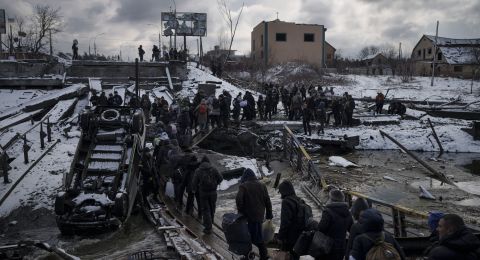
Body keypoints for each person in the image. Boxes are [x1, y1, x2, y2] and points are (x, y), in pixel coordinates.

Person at [235, 168, 273, 260]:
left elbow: (239, 200)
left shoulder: (243, 186)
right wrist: (269, 215)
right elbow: (268, 201)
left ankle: (248, 256)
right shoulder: (262, 185)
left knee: (247, 237)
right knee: (258, 236)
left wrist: (240, 212)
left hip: (248, 217)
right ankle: (264, 255)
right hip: (260, 216)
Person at [317, 189, 353, 260]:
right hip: (341, 247)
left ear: (331, 199)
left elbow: (321, 229)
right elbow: (351, 229)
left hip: (327, 247)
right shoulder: (348, 212)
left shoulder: (328, 212)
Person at [277, 180, 308, 260]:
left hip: (289, 237)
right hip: (299, 235)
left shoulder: (286, 202)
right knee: (295, 256)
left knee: (286, 256)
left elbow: (285, 222)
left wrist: (280, 237)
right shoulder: (300, 200)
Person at [192, 156, 223, 234]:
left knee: (205, 210)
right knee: (212, 208)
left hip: (203, 193)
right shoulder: (214, 169)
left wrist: (194, 189)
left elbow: (194, 182)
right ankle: (211, 221)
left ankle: (208, 228)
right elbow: (221, 178)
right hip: (213, 192)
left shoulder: (198, 170)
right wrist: (216, 183)